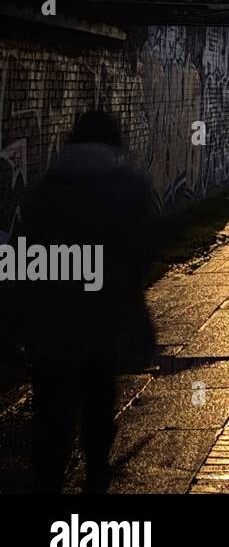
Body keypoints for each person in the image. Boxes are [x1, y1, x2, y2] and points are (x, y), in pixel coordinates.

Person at [19, 110, 156, 494]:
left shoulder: (46, 188)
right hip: (104, 320)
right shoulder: (130, 188)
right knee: (98, 399)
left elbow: (26, 255)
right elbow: (144, 252)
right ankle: (96, 471)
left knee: (50, 409)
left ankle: (47, 480)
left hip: (50, 323)